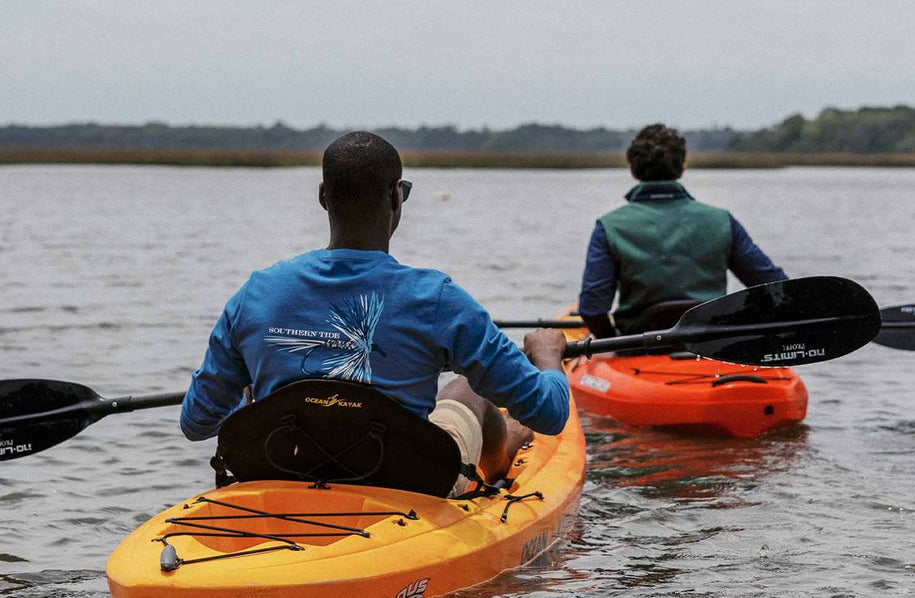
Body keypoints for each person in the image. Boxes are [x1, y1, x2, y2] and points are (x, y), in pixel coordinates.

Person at [180, 131, 569, 493]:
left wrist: (254, 395)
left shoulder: (256, 293)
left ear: (322, 197)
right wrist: (548, 355)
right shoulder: (438, 300)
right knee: (468, 389)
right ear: (395, 196)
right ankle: (497, 465)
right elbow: (550, 413)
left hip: (283, 477)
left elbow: (197, 423)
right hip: (404, 486)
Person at [578, 123, 788, 338]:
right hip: (711, 344)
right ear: (682, 167)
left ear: (632, 168)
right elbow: (775, 287)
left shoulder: (609, 226)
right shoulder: (721, 220)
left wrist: (613, 345)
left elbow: (592, 309)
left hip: (638, 346)